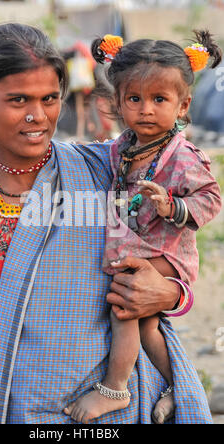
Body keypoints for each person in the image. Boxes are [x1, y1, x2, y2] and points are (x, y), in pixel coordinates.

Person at [0, 23, 213, 424]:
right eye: (18, 99)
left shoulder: (104, 171)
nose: (37, 116)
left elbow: (169, 254)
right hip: (18, 408)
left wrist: (169, 295)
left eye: (49, 99)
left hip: (126, 410)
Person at [64, 31, 222, 424]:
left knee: (125, 307)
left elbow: (211, 198)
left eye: (159, 100)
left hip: (167, 254)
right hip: (139, 248)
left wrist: (173, 206)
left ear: (183, 104)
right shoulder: (124, 147)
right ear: (117, 102)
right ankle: (176, 388)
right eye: (134, 99)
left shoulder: (184, 157)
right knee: (148, 327)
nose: (146, 110)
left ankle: (115, 389)